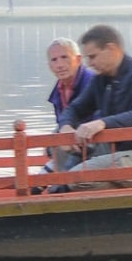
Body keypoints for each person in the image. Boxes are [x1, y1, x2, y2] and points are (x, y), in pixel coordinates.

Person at [50, 24, 132, 178]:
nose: (89, 64)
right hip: (114, 150)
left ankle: (68, 187)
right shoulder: (101, 79)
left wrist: (102, 123)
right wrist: (65, 126)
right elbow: (74, 109)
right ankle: (62, 186)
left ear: (111, 49)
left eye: (93, 57)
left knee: (78, 177)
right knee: (59, 140)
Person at [37, 39, 96, 172]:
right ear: (49, 66)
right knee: (52, 144)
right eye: (54, 60)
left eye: (65, 57)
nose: (60, 65)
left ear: (78, 59)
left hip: (94, 143)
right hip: (73, 144)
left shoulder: (92, 82)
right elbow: (62, 122)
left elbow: (100, 116)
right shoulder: (58, 91)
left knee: (57, 145)